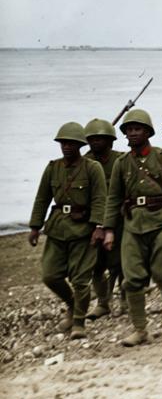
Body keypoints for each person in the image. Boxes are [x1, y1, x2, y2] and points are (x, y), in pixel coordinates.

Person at [103, 109, 162, 346]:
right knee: (131, 280)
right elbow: (113, 199)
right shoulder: (122, 163)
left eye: (137, 129)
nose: (132, 133)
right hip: (133, 225)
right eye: (129, 130)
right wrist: (109, 229)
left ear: (148, 132)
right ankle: (140, 329)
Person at [29, 122, 108, 340]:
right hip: (57, 229)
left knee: (81, 280)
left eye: (71, 143)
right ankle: (72, 304)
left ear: (80, 145)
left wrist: (99, 227)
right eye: (63, 142)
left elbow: (100, 199)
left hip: (83, 231)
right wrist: (35, 227)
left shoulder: (92, 168)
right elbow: (42, 198)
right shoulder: (53, 167)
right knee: (50, 276)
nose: (66, 146)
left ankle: (79, 322)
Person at [83, 118, 125, 320]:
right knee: (96, 264)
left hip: (119, 219)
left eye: (101, 138)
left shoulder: (121, 160)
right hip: (92, 221)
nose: (96, 142)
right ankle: (102, 302)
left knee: (122, 262)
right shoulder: (84, 164)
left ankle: (126, 299)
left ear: (110, 140)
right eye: (92, 138)